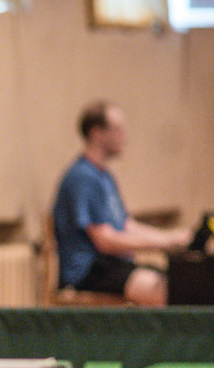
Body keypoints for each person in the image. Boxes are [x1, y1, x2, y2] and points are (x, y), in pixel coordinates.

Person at [52, 101, 191, 306]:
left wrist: (171, 237)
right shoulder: (83, 178)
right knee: (168, 290)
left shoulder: (104, 177)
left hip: (112, 265)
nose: (124, 137)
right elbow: (105, 241)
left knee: (182, 281)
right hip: (89, 271)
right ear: (97, 133)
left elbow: (125, 225)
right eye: (117, 130)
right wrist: (162, 244)